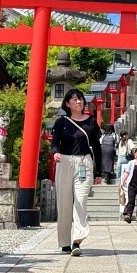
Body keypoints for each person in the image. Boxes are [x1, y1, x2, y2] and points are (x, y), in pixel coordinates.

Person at [50, 88, 103, 256]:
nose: (79, 102)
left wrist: (99, 171)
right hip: (64, 162)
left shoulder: (91, 122)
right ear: (67, 104)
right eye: (74, 99)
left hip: (84, 162)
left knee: (80, 201)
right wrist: (55, 152)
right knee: (64, 203)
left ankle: (77, 240)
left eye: (80, 99)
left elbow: (97, 147)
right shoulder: (61, 123)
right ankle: (65, 242)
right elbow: (55, 143)